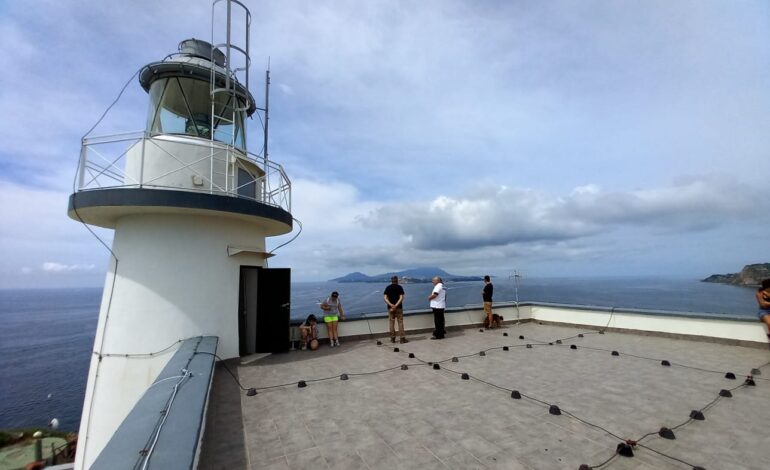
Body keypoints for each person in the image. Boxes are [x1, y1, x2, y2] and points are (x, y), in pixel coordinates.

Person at [384, 276, 408, 343]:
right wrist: (396, 305)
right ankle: (402, 339)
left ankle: (392, 338)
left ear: (391, 281)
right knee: (400, 323)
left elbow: (385, 298)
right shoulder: (399, 287)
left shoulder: (388, 288)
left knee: (391, 323)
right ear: (397, 280)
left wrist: (391, 305)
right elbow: (401, 298)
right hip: (399, 308)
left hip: (390, 308)